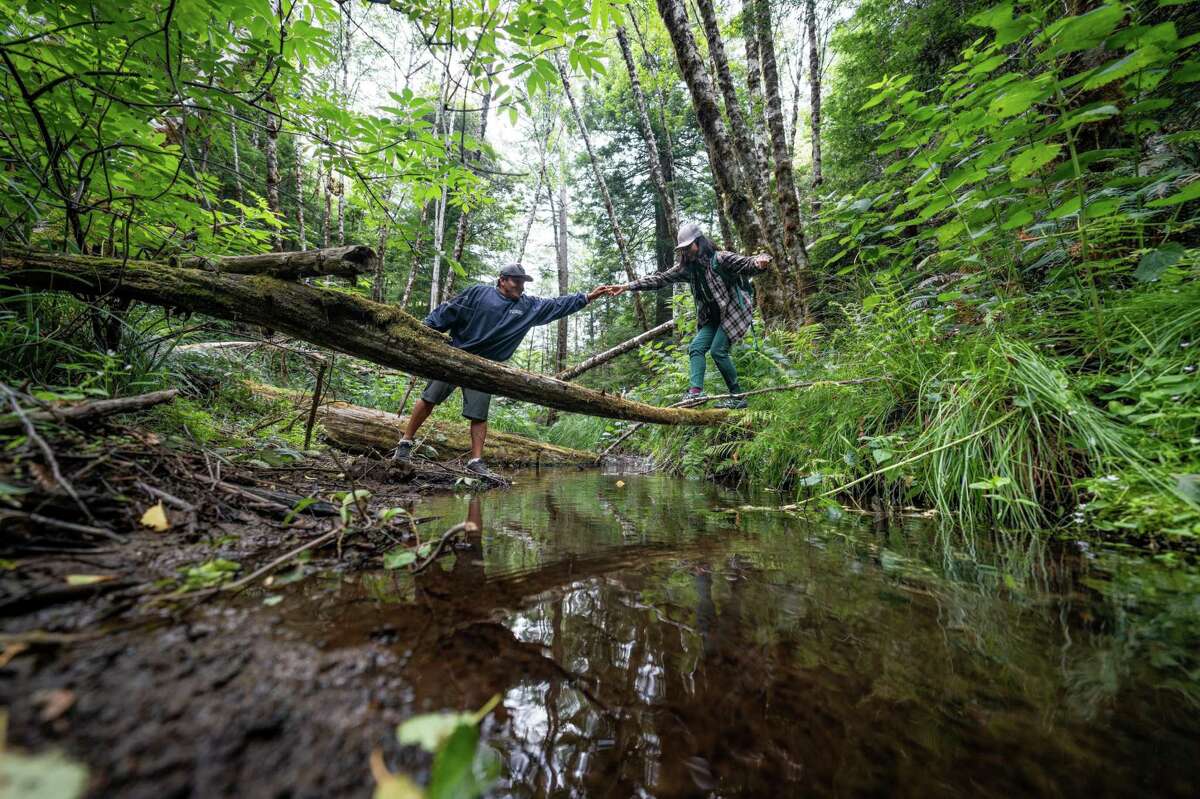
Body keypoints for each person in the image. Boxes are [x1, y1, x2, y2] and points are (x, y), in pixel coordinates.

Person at [393, 263, 612, 480]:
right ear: (502, 280)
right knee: (429, 398)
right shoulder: (478, 293)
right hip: (456, 356)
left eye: (523, 282)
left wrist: (588, 297)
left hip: (485, 368)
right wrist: (421, 331)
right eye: (517, 281)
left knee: (479, 415)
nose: (521, 286)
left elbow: (556, 305)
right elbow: (448, 311)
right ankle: (405, 444)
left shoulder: (528, 307)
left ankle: (475, 462)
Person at [603, 223, 771, 409]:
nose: (685, 252)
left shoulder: (720, 259)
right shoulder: (687, 269)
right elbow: (660, 279)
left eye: (688, 247)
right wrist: (627, 286)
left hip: (734, 311)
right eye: (682, 248)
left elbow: (746, 263)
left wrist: (759, 262)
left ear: (699, 242)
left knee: (717, 351)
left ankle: (738, 397)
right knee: (696, 348)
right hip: (712, 318)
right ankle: (695, 393)